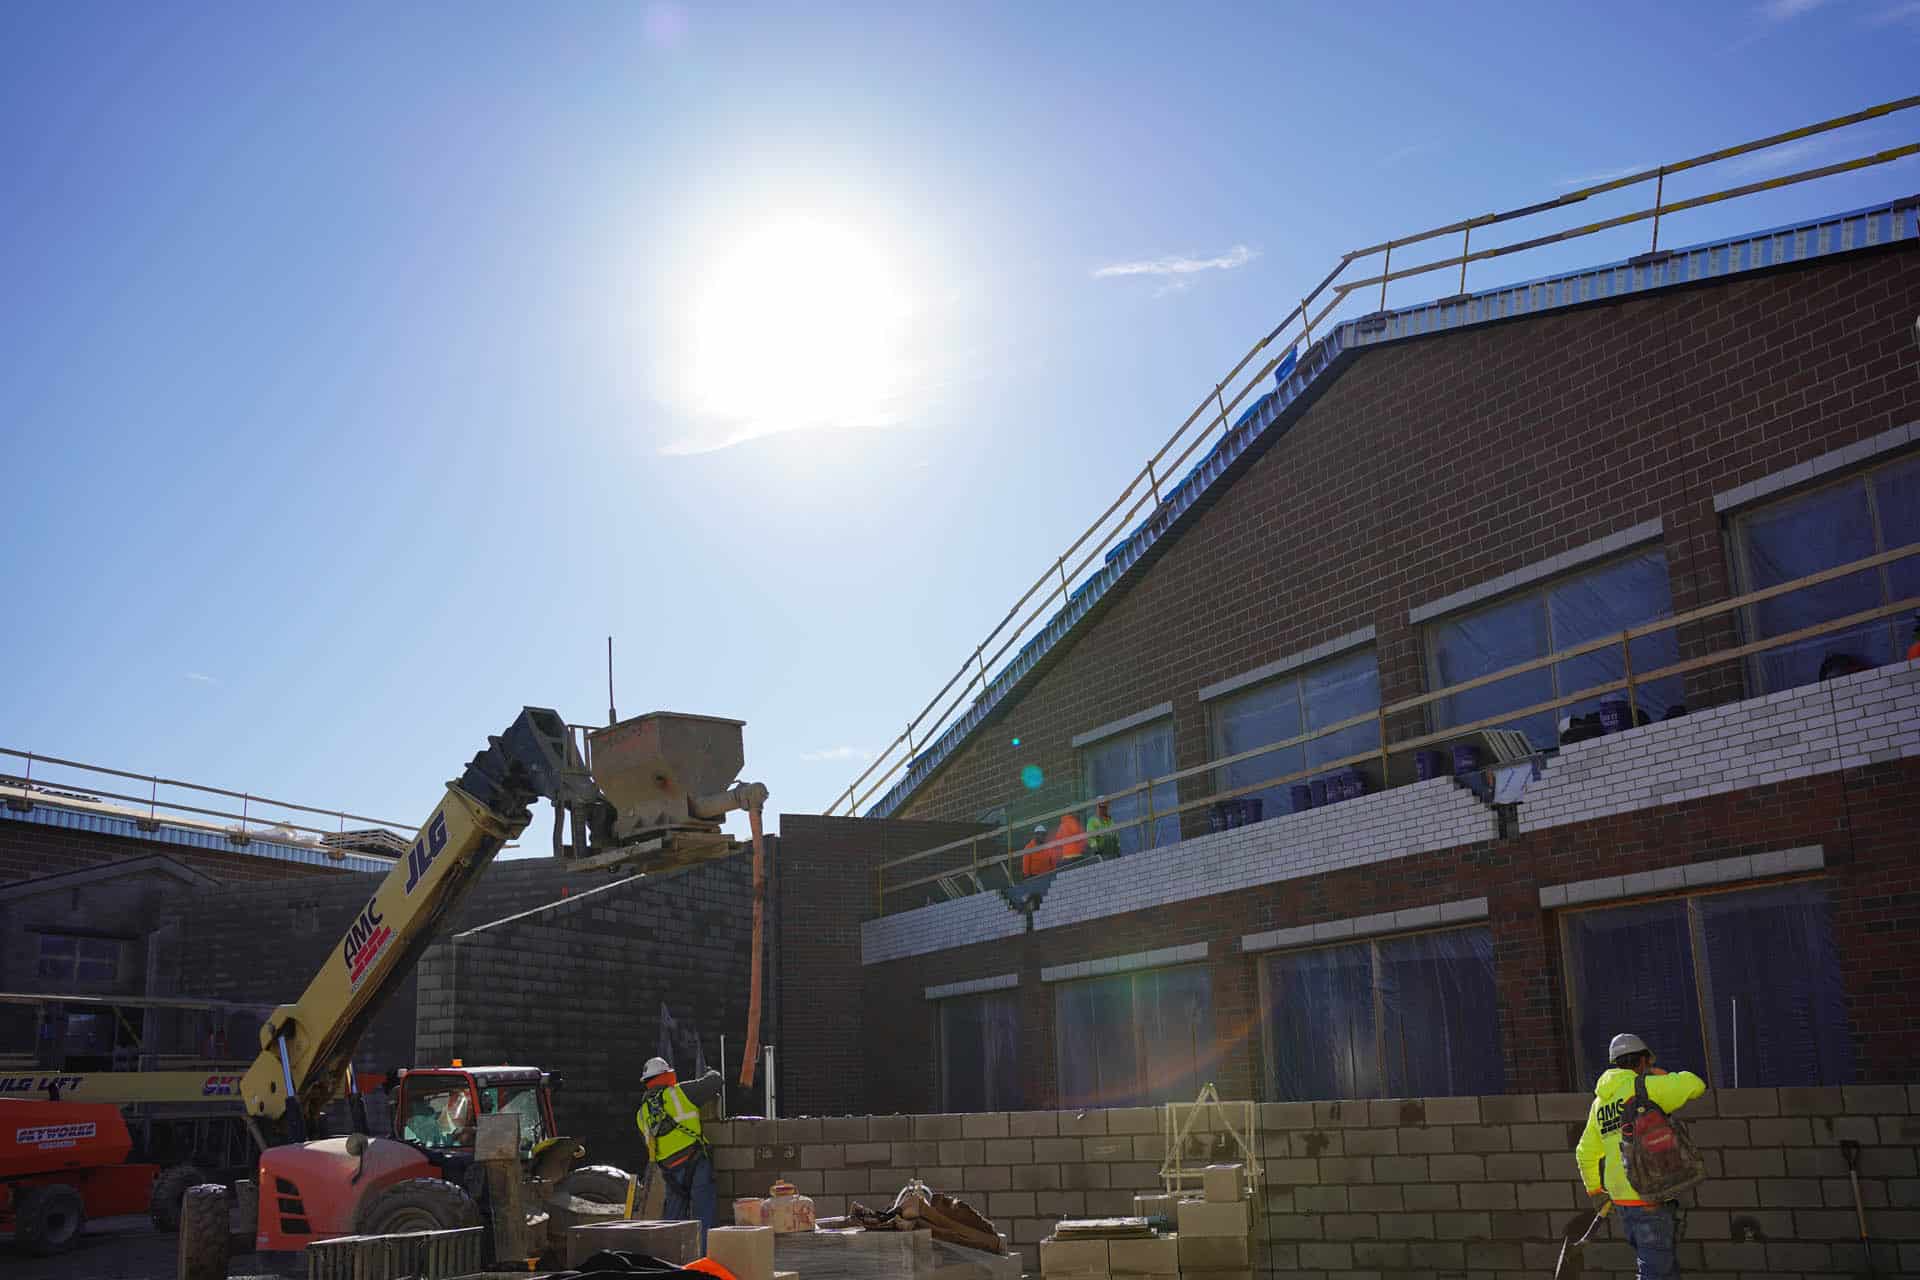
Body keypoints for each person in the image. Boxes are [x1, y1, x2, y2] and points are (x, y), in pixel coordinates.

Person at [1574, 1033, 1706, 1279]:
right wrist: (1661, 1075)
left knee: (1662, 1266)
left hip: (1622, 1199)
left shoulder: (1600, 1103)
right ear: (1644, 1061)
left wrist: (1595, 1192)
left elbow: (1585, 1152)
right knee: (1655, 1270)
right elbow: (1696, 1085)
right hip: (1648, 1193)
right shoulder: (1646, 1086)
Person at [637, 1055, 723, 1245]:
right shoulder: (680, 1092)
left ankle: (671, 1263)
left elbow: (650, 1147)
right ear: (667, 1075)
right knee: (703, 1217)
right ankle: (703, 1262)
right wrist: (709, 1071)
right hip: (695, 1161)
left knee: (673, 1223)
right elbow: (715, 1081)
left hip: (670, 1172)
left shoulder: (641, 1114)